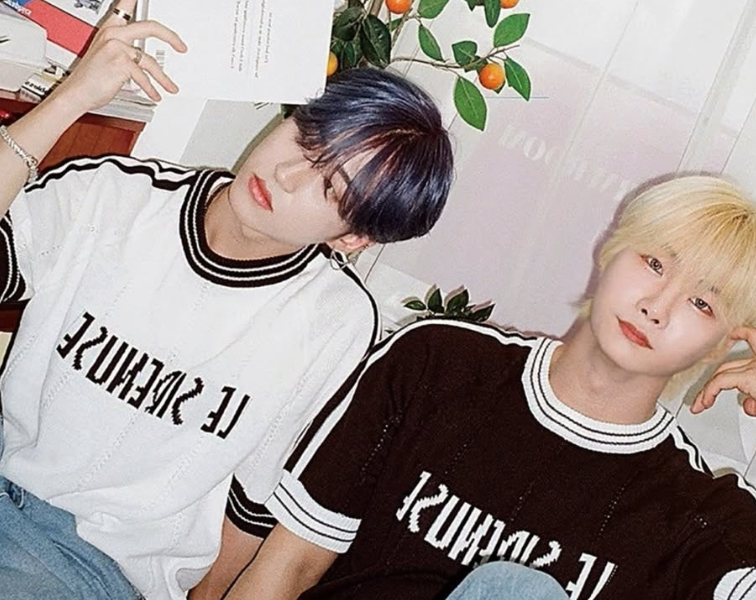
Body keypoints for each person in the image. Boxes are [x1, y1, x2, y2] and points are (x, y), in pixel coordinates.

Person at [221, 176, 756, 600]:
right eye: (653, 263)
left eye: (702, 303)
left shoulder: (699, 513)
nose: (658, 306)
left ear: (720, 345)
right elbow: (287, 567)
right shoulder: (438, 364)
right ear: (609, 251)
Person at [0, 0, 453, 599]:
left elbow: (252, 506)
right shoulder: (114, 196)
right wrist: (70, 98)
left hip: (90, 564)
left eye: (330, 186)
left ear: (352, 237)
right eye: (307, 138)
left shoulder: (333, 324)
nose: (287, 174)